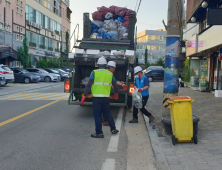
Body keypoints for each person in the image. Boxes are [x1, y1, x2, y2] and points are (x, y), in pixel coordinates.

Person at [81, 57, 119, 138]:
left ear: (97, 65)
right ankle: (113, 129)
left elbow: (89, 85)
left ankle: (99, 133)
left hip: (97, 98)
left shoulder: (94, 72)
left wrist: (84, 95)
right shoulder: (110, 74)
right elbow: (115, 85)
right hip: (106, 97)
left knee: (97, 115)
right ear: (106, 65)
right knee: (108, 113)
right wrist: (116, 93)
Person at [102, 61, 127, 126]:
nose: (114, 70)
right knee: (106, 108)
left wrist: (122, 84)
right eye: (114, 69)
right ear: (111, 68)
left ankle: (103, 120)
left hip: (100, 92)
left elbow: (115, 81)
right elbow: (111, 83)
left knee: (102, 107)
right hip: (104, 92)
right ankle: (106, 121)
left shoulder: (105, 72)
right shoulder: (108, 74)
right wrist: (116, 92)